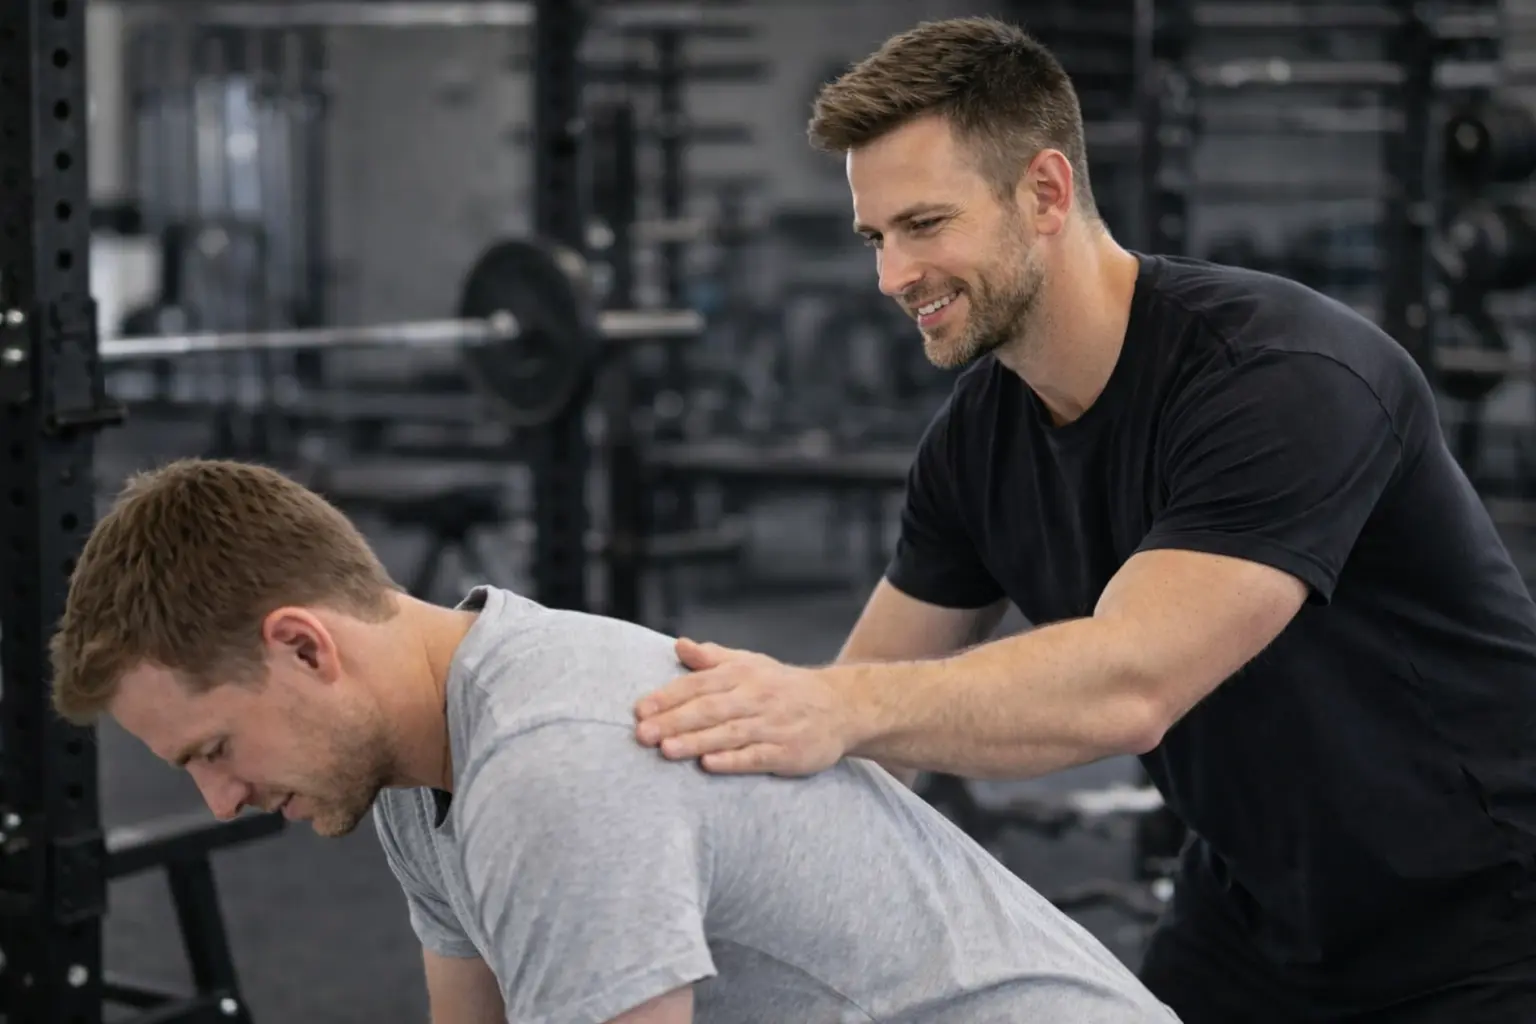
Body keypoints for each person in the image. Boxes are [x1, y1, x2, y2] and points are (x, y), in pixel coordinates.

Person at [630, 15, 1536, 1024]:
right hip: (1256, 910)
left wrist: (835, 709)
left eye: (925, 225)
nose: (891, 278)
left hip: (1486, 911)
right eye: (876, 238)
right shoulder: (974, 447)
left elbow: (1129, 682)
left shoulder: (1283, 379)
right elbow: (864, 740)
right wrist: (661, 848)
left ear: (1046, 193)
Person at [49, 458, 1178, 1024]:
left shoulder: (554, 768)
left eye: (211, 747)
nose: (221, 799)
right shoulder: (416, 759)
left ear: (303, 646)